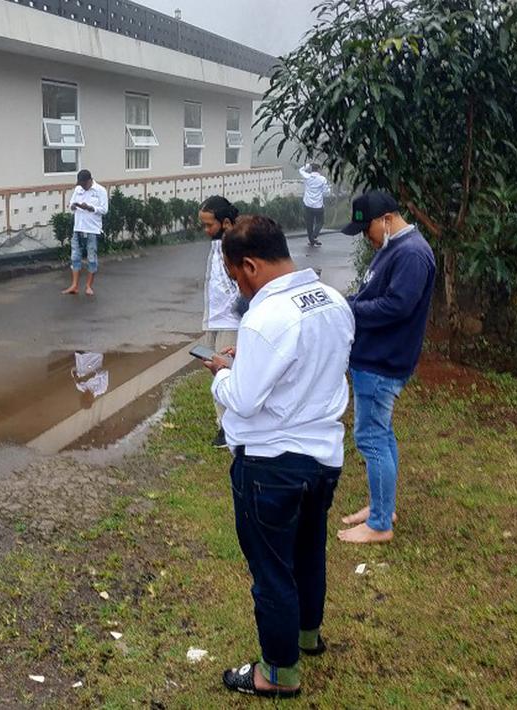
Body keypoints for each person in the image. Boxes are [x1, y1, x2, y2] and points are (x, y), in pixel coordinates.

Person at [202, 215, 354, 699]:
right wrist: (244, 364)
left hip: (270, 465)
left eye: (234, 277)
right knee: (309, 551)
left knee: (271, 570)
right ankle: (307, 637)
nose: (236, 287)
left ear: (249, 265)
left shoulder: (266, 317)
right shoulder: (332, 301)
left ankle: (278, 674)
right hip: (323, 457)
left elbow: (244, 399)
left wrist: (222, 373)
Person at [336, 191, 436, 545]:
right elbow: (371, 296)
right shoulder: (393, 249)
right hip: (374, 358)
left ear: (387, 220)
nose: (367, 237)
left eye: (367, 229)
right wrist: (345, 303)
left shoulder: (411, 254)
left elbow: (397, 306)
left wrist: (349, 311)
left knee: (371, 437)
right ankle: (383, 506)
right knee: (381, 433)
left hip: (382, 361)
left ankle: (380, 523)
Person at [198, 195, 242, 448]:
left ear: (225, 222)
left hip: (231, 320)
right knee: (212, 369)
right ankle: (223, 423)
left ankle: (229, 428)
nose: (206, 230)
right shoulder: (217, 242)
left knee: (226, 371)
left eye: (208, 225)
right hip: (214, 317)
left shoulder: (237, 244)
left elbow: (238, 284)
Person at [62, 169, 108, 296]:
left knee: (91, 258)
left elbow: (104, 210)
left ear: (89, 181)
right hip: (78, 227)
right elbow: (71, 204)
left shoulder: (100, 191)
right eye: (80, 184)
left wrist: (89, 207)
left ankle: (88, 285)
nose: (81, 186)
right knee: (75, 256)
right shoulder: (78, 190)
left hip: (92, 229)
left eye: (83, 183)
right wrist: (73, 206)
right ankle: (74, 285)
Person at [299, 163, 331, 247]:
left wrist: (308, 165)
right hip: (318, 205)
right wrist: (328, 190)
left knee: (309, 223)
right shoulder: (322, 179)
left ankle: (311, 240)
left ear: (311, 169)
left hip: (308, 204)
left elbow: (300, 170)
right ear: (319, 170)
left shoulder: (307, 177)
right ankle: (314, 236)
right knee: (320, 222)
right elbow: (326, 192)